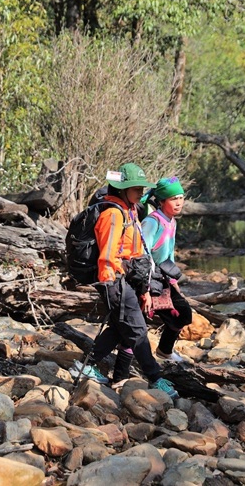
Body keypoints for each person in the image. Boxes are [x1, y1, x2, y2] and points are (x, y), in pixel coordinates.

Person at [75, 163, 179, 399]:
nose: (141, 193)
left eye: (142, 189)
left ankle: (85, 366)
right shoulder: (112, 214)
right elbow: (108, 255)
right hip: (114, 281)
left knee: (120, 328)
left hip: (127, 280)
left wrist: (141, 287)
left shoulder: (129, 210)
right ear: (122, 189)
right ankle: (156, 378)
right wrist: (112, 285)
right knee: (137, 330)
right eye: (136, 189)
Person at [140, 176, 193, 365]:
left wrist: (174, 283)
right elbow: (142, 255)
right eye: (173, 198)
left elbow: (169, 256)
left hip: (163, 278)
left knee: (183, 314)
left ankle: (164, 350)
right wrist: (144, 289)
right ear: (161, 201)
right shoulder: (152, 222)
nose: (179, 202)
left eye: (181, 197)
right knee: (135, 323)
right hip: (147, 279)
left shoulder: (172, 221)